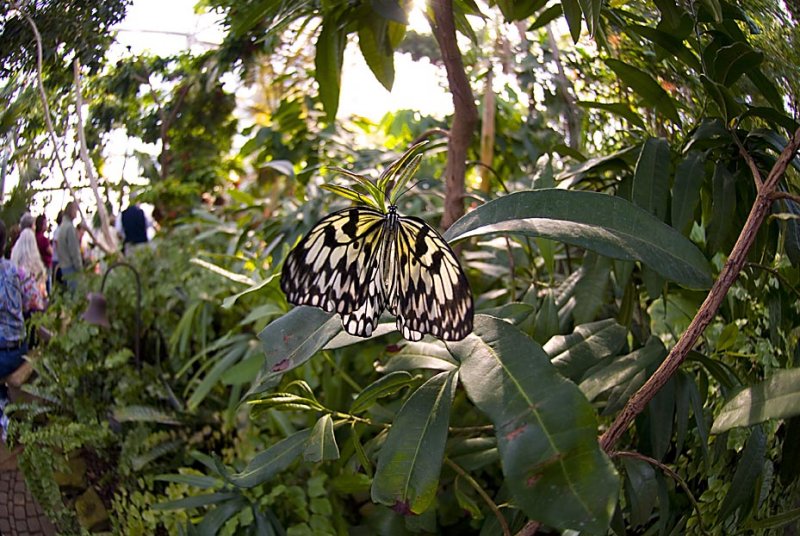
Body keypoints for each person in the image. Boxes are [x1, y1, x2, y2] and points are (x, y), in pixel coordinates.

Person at [0, 220, 39, 440]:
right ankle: (5, 406)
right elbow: (34, 303)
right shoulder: (19, 272)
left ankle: (6, 416)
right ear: (5, 243)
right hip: (20, 347)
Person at [10, 226, 47, 312]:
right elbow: (43, 292)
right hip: (36, 309)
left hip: (21, 309)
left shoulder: (15, 267)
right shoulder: (38, 267)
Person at [54, 201, 83, 289]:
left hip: (63, 265)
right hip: (71, 267)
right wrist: (80, 268)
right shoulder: (70, 228)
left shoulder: (62, 226)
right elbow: (74, 250)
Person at [35, 214, 53, 293]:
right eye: (45, 224)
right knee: (47, 287)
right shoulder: (43, 239)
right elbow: (51, 252)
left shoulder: (35, 237)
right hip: (46, 265)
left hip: (38, 264)